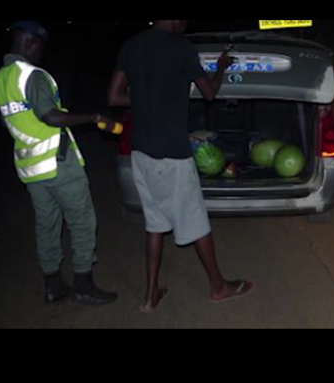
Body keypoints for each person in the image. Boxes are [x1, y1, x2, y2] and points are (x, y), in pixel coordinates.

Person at [107, 20, 255, 313]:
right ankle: (218, 286)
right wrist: (222, 66)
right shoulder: (181, 48)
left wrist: (147, 99)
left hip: (141, 154)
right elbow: (210, 93)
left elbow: (114, 97)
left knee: (155, 224)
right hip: (171, 156)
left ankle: (150, 297)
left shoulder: (132, 46)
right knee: (195, 220)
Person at [0, 20, 118, 306]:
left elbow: (11, 122)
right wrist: (94, 117)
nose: (41, 55)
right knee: (82, 222)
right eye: (40, 48)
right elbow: (50, 116)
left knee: (46, 225)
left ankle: (53, 286)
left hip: (30, 168)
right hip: (57, 163)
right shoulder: (33, 76)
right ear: (31, 44)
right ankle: (84, 286)